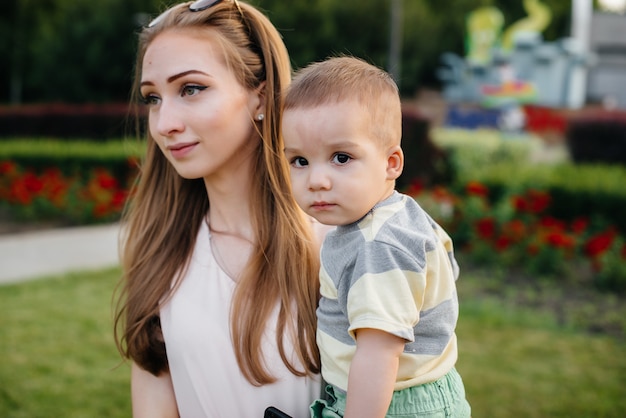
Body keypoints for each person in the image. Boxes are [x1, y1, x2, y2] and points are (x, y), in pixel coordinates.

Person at [113, 1, 326, 417]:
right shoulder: (161, 256)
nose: (163, 122)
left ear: (261, 96)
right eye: (153, 98)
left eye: (190, 89)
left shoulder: (335, 246)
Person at [282, 56, 472, 418]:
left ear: (391, 163)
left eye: (340, 157)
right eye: (300, 161)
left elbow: (379, 354)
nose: (316, 180)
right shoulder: (404, 216)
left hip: (391, 403)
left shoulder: (376, 245)